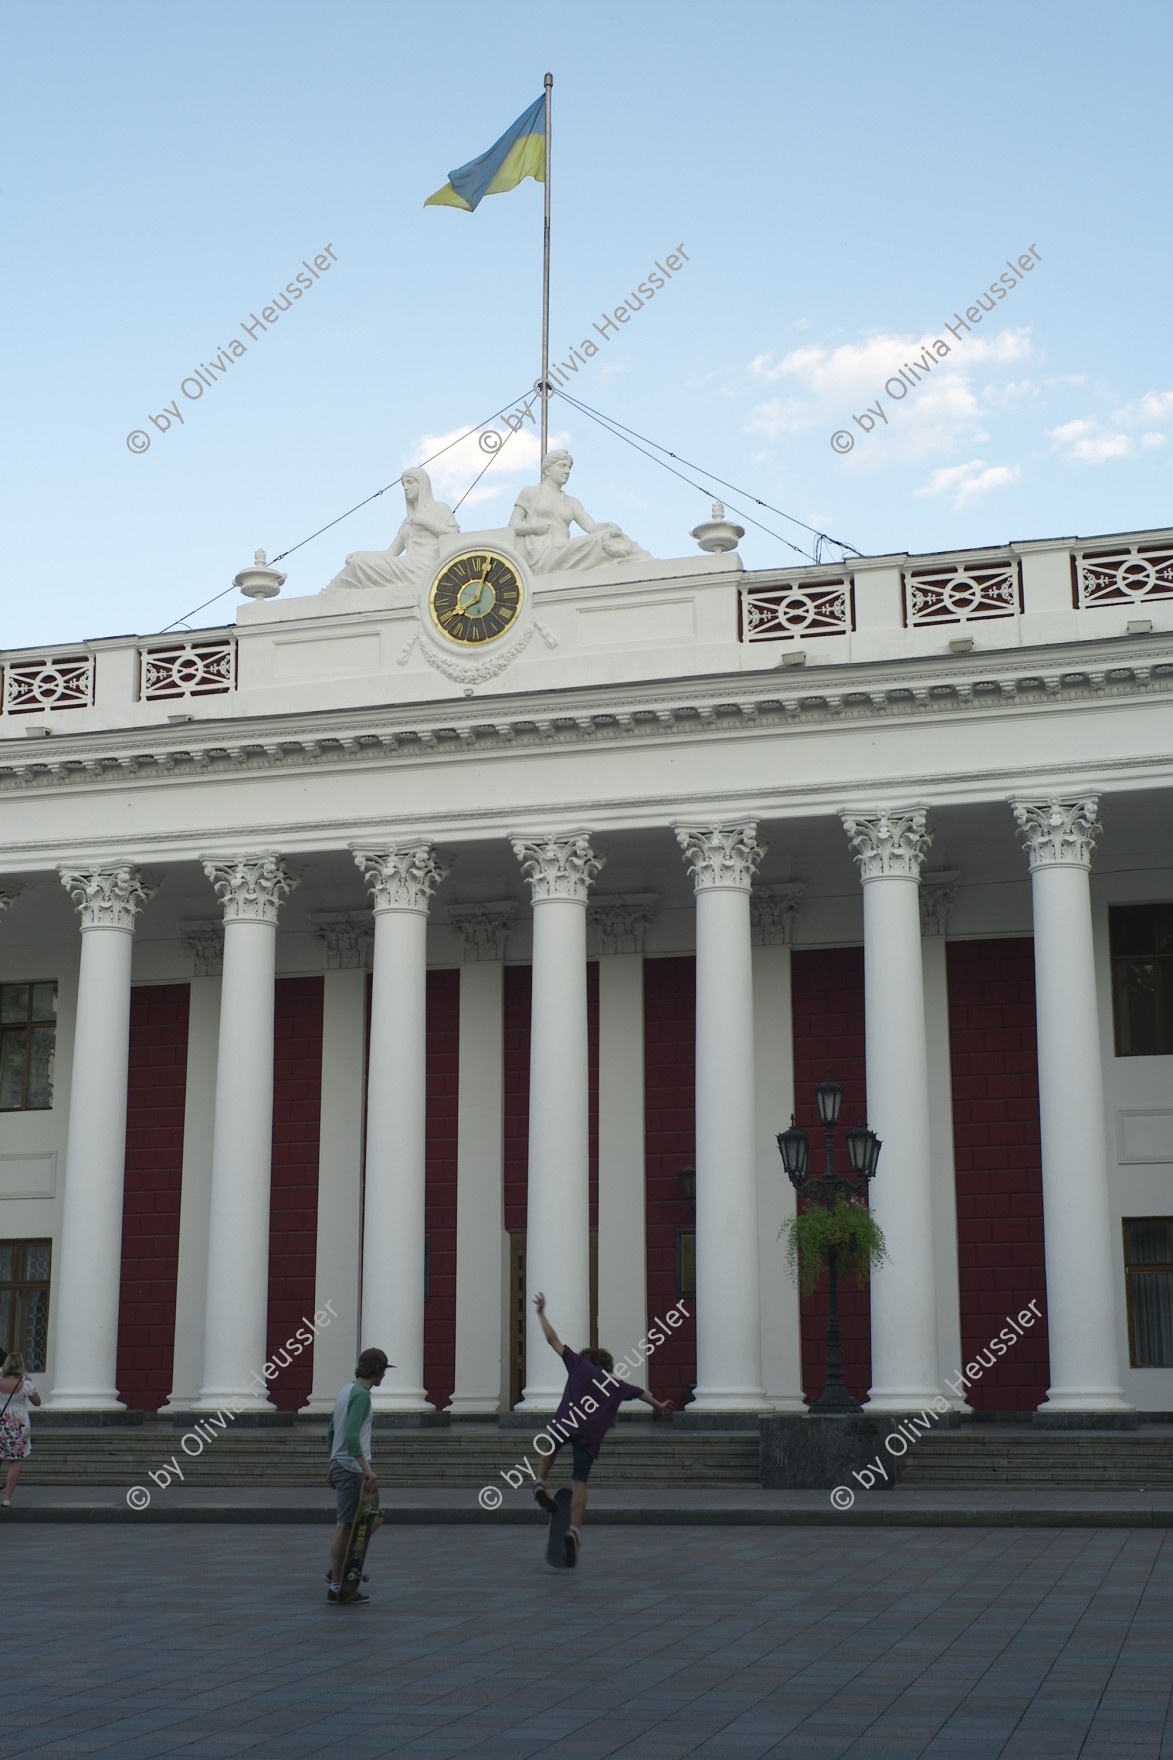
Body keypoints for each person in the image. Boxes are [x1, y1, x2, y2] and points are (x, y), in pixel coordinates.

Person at [531, 1292, 672, 1565]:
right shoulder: (615, 1384)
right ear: (608, 1365)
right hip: (588, 1438)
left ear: (587, 1359)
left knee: (550, 1445)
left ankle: (540, 1482)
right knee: (579, 1482)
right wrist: (659, 1407)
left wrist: (541, 1313)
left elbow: (552, 1340)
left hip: (566, 1423)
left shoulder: (578, 1365)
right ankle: (573, 1531)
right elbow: (642, 1393)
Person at [325, 467, 459, 596]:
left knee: (359, 566)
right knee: (358, 563)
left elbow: (454, 536)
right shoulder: (408, 521)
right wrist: (360, 554)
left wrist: (425, 522)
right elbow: (390, 553)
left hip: (425, 569)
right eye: (403, 484)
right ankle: (328, 594)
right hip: (407, 567)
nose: (405, 487)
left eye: (410, 482)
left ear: (422, 485)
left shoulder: (440, 509)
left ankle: (327, 595)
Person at [509, 451, 649, 574]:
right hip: (542, 552)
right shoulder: (531, 492)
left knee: (613, 537)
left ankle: (647, 562)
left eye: (569, 467)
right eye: (562, 466)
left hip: (563, 549)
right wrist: (534, 528)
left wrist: (608, 525)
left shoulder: (572, 502)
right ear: (547, 471)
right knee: (599, 542)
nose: (567, 471)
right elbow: (513, 524)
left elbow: (591, 527)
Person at [325, 1348, 390, 1603]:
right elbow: (352, 1436)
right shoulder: (362, 1396)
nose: (383, 1376)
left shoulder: (345, 1390)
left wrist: (332, 1464)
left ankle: (337, 1572)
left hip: (341, 1464)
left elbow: (332, 1431)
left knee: (360, 1523)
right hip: (352, 1468)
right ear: (377, 1371)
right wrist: (366, 1471)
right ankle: (338, 1585)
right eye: (383, 1370)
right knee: (348, 1525)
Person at [0, 1352, 40, 1507]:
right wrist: (29, 1383)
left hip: (2, 1423)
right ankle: (7, 1498)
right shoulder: (26, 1385)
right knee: (14, 1460)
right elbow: (37, 1402)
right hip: (19, 1425)